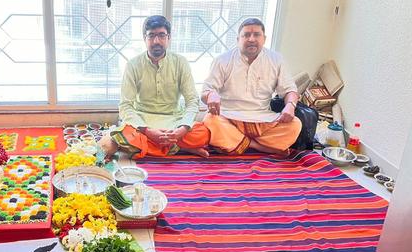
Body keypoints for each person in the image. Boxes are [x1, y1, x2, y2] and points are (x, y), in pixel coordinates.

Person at [99, 15, 210, 159]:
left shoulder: (180, 62)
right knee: (120, 136)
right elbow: (125, 106)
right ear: (144, 38)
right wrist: (148, 131)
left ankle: (158, 146)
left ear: (168, 37)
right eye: (151, 36)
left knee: (203, 132)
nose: (156, 41)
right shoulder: (133, 65)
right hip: (143, 122)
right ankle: (179, 147)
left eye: (161, 35)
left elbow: (192, 101)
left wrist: (182, 129)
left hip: (173, 121)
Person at [201, 18, 301, 155]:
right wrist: (211, 95)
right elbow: (206, 90)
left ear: (264, 38)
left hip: (264, 119)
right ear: (238, 39)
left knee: (295, 124)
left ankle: (237, 143)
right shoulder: (222, 60)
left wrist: (290, 105)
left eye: (256, 34)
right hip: (229, 117)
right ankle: (259, 147)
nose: (251, 39)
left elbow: (290, 89)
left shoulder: (276, 60)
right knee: (210, 120)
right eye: (246, 35)